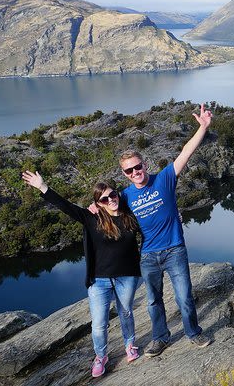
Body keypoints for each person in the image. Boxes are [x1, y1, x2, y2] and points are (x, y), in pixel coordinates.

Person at [21, 171, 141, 378]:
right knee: (99, 323)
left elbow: (151, 224)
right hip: (100, 280)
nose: (111, 200)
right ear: (98, 203)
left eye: (113, 195)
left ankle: (130, 345)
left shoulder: (130, 215)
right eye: (104, 198)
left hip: (127, 276)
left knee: (126, 313)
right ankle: (101, 356)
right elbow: (66, 206)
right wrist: (43, 187)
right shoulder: (90, 218)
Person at [117, 102, 213, 357]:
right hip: (148, 255)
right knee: (152, 301)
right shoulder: (124, 196)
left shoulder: (164, 178)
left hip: (174, 250)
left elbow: (185, 153)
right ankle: (161, 338)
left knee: (184, 297)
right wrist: (96, 207)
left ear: (144, 164)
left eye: (138, 166)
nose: (136, 172)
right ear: (124, 174)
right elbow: (106, 203)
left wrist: (202, 128)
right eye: (130, 170)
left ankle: (193, 332)